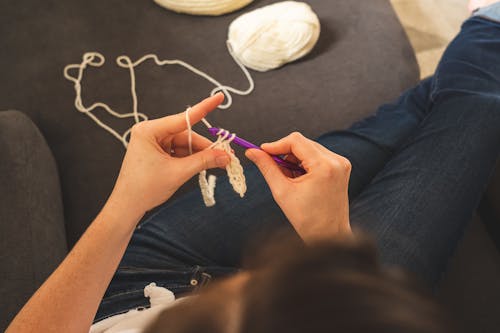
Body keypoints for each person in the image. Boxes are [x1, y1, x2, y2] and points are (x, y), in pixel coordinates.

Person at [6, 0, 500, 332]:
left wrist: (125, 206)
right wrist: (333, 244)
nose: (248, 272)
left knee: (381, 135)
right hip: (336, 313)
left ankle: (466, 73)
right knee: (471, 114)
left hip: (128, 287)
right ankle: (486, 37)